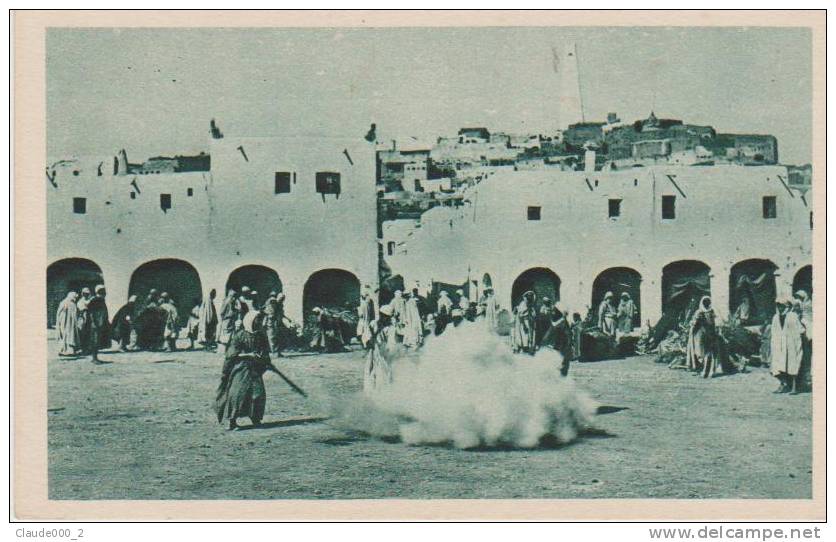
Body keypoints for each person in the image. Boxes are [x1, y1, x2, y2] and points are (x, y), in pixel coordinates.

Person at [214, 311, 272, 430]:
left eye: (260, 320)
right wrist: (248, 355)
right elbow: (231, 355)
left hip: (255, 369)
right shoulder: (240, 335)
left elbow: (265, 351)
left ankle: (255, 418)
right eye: (257, 320)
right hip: (241, 368)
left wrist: (264, 359)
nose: (259, 322)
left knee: (258, 394)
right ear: (250, 321)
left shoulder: (261, 336)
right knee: (237, 394)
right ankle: (232, 421)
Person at [770, 298, 804, 394]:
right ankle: (783, 384)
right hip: (779, 344)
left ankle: (794, 387)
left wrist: (795, 342)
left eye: (781, 306)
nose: (779, 308)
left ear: (787, 306)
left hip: (791, 344)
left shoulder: (792, 316)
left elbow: (799, 330)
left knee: (792, 364)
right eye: (778, 306)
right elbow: (774, 331)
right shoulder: (776, 317)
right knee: (777, 365)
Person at [364, 304, 397, 396]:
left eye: (386, 317)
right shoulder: (373, 324)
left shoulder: (390, 328)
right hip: (373, 351)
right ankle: (369, 391)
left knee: (382, 372)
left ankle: (381, 393)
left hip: (383, 354)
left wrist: (387, 351)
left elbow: (391, 343)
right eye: (382, 315)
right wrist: (368, 341)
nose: (384, 318)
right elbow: (366, 335)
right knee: (370, 370)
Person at [686, 296, 719, 378]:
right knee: (711, 354)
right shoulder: (711, 312)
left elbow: (694, 323)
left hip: (703, 335)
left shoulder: (700, 312)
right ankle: (710, 372)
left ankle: (705, 372)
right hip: (710, 334)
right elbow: (714, 323)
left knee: (705, 354)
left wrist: (691, 325)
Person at [86, 285, 110, 364]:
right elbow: (91, 313)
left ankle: (95, 357)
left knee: (97, 341)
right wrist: (94, 323)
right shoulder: (95, 300)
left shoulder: (100, 300)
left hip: (100, 324)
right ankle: (94, 358)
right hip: (95, 324)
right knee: (95, 341)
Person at [549, 305, 572, 376]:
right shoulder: (560, 321)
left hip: (561, 344)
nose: (553, 312)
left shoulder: (562, 321)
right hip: (559, 343)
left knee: (562, 361)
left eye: (555, 311)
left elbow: (567, 333)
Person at [55, 291, 80, 356]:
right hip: (65, 322)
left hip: (71, 323)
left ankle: (69, 351)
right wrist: (60, 321)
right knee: (65, 336)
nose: (75, 298)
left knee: (70, 336)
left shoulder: (72, 303)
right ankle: (63, 350)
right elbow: (59, 313)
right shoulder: (64, 302)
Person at [512, 291, 537, 355]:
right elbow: (521, 315)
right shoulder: (522, 304)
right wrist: (524, 325)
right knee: (522, 335)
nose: (530, 298)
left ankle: (528, 348)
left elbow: (533, 314)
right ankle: (519, 348)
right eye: (528, 296)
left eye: (531, 296)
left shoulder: (530, 304)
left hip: (529, 321)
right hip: (523, 322)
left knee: (529, 335)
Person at [76, 287, 93, 354]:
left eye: (87, 294)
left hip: (89, 319)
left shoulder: (90, 300)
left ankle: (88, 348)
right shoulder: (80, 301)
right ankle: (83, 349)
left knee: (88, 334)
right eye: (84, 293)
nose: (86, 295)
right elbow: (81, 309)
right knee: (82, 334)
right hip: (82, 319)